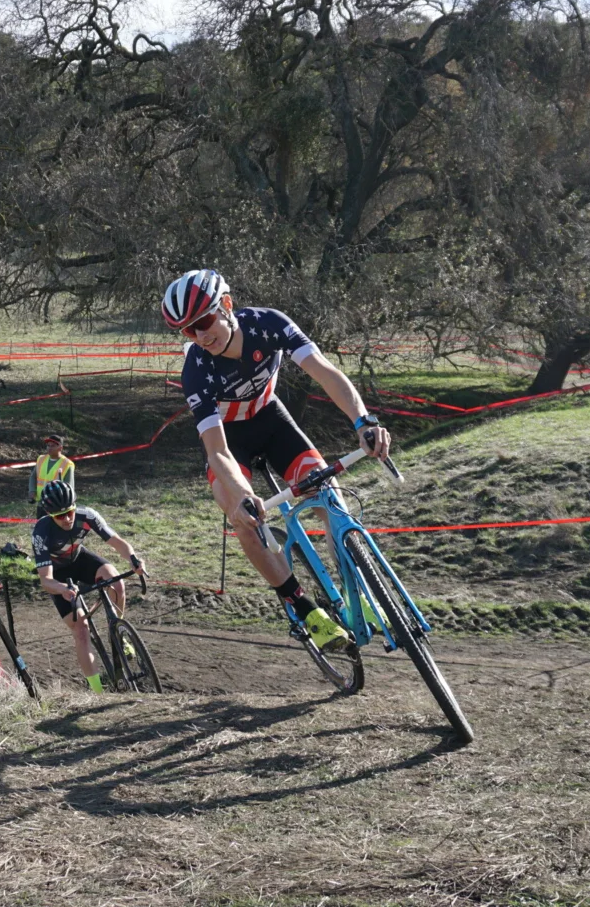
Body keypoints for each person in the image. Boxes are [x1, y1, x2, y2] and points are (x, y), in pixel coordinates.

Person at [161, 268, 392, 652]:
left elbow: (325, 372)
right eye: (188, 331)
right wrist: (241, 495)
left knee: (331, 496)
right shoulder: (196, 370)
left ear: (227, 305)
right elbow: (217, 450)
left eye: (203, 321)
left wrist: (363, 421)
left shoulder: (268, 325)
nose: (201, 335)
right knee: (243, 520)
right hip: (231, 443)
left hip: (272, 420)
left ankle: (359, 596)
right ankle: (306, 611)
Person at [31, 480, 145, 693]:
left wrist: (133, 560)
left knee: (117, 582)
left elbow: (118, 542)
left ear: (75, 506)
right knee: (81, 630)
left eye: (69, 512)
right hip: (58, 574)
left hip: (80, 559)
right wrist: (63, 589)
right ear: (49, 514)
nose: (66, 519)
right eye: (59, 516)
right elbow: (46, 580)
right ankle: (97, 691)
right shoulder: (41, 531)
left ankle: (119, 632)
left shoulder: (87, 516)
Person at [27, 433, 75, 507]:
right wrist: (32, 491)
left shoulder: (67, 464)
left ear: (60, 448)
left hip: (56, 505)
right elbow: (33, 477)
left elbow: (69, 487)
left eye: (53, 446)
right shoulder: (41, 459)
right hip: (41, 503)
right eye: (48, 445)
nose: (49, 448)